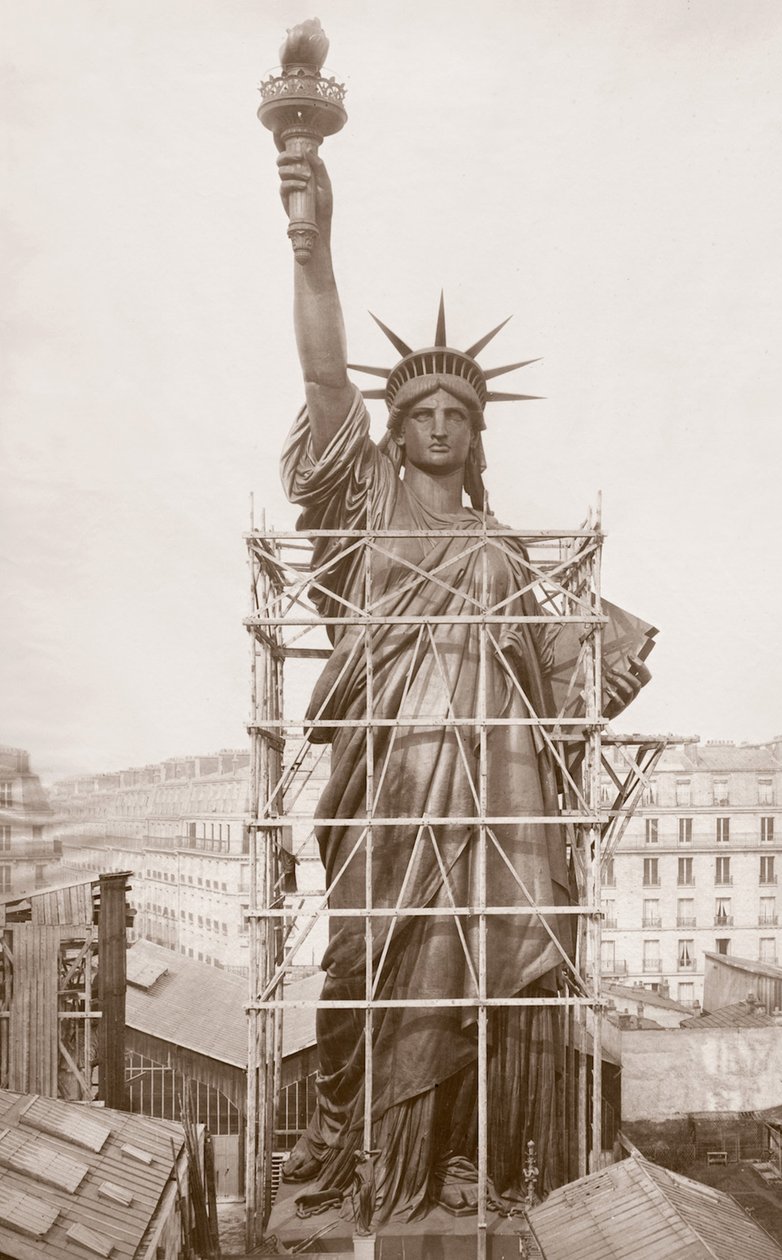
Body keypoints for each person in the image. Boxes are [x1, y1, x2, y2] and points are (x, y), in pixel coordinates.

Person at [276, 143, 648, 1224]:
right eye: (423, 412)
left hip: (492, 799)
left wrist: (603, 657)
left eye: (460, 415)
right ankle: (363, 1153)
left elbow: (554, 677)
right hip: (386, 785)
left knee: (473, 974)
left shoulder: (499, 545)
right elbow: (320, 374)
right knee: (370, 966)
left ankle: (440, 1166)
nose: (440, 425)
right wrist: (315, 240)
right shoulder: (370, 505)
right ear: (395, 430)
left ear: (477, 435)